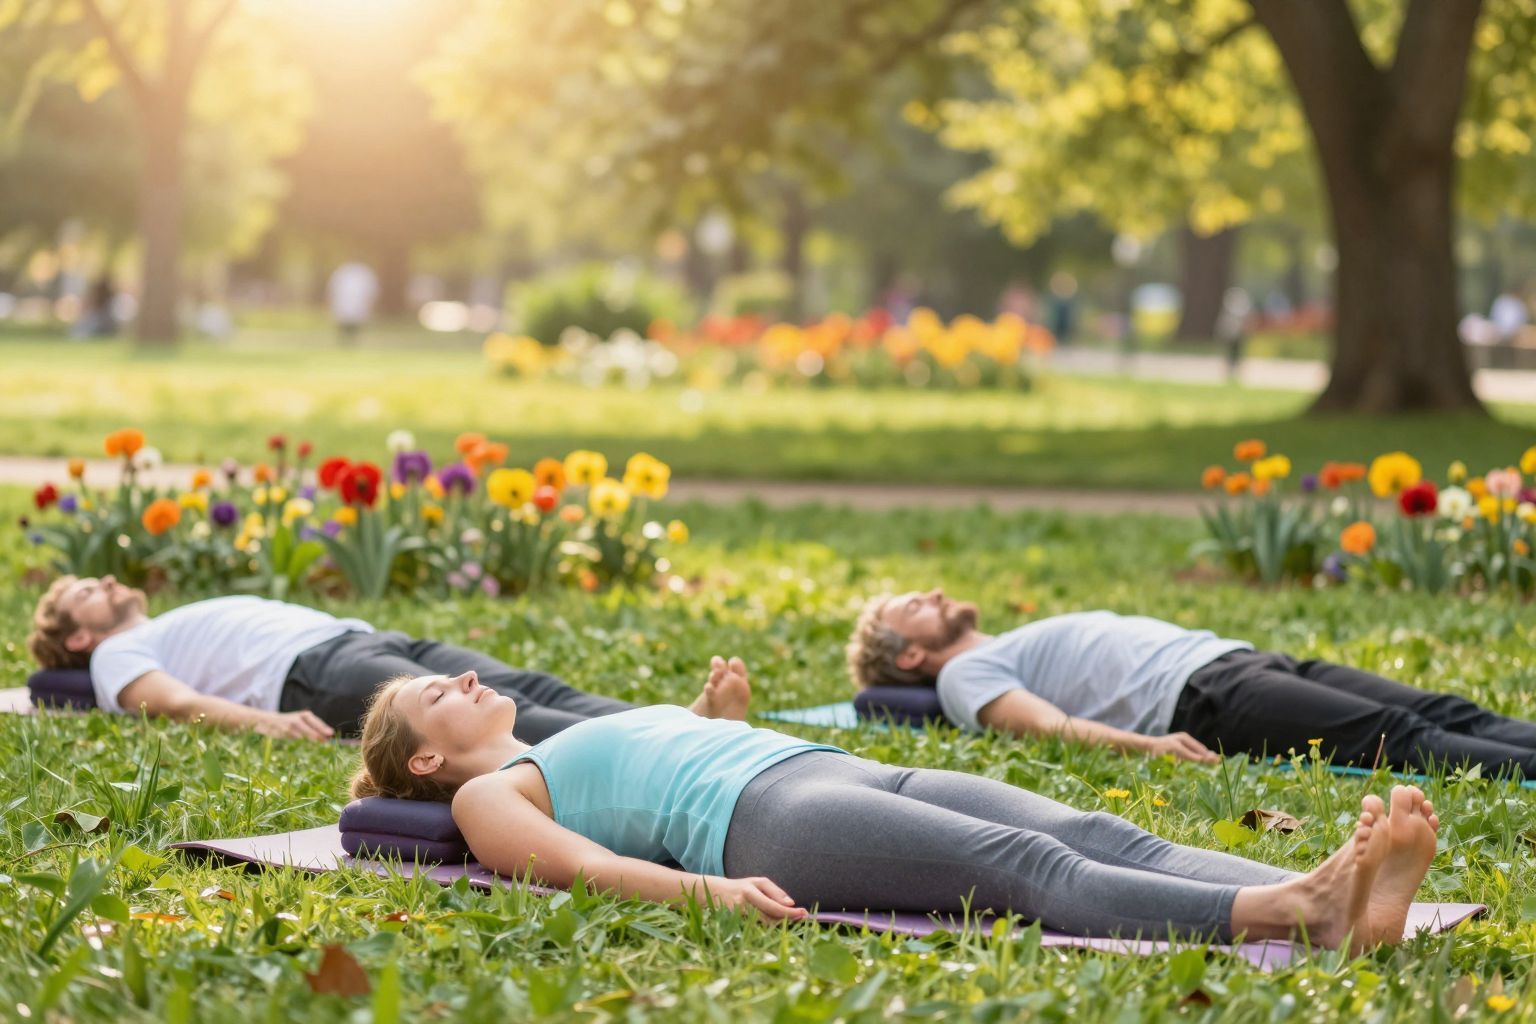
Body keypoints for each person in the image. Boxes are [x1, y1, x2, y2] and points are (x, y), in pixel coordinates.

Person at [351, 660, 1440, 952]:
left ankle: (1326, 894)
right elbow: (581, 865)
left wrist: (712, 712)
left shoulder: (547, 743)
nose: (458, 680)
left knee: (1091, 829)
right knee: (1026, 868)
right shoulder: (492, 795)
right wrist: (710, 891)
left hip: (822, 765)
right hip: (776, 826)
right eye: (430, 697)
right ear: (424, 767)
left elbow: (637, 768)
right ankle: (1291, 914)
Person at [847, 590, 1536, 778]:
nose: (936, 593)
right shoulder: (966, 673)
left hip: (1239, 660)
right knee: (1409, 739)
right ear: (910, 658)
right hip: (1210, 700)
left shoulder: (993, 645)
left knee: (1446, 710)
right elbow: (1041, 726)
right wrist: (1146, 749)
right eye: (916, 606)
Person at [26, 575, 746, 742]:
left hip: (364, 640)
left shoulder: (156, 621)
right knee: (513, 718)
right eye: (90, 592)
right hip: (315, 676)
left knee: (527, 686)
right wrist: (265, 724)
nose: (110, 583)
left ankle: (675, 724)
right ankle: (662, 743)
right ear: (79, 638)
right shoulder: (114, 656)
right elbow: (172, 703)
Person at [327, 261, 379, 343]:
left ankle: (351, 341)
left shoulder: (362, 272)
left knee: (354, 325)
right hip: (345, 305)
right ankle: (344, 342)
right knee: (344, 324)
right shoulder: (343, 271)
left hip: (355, 305)